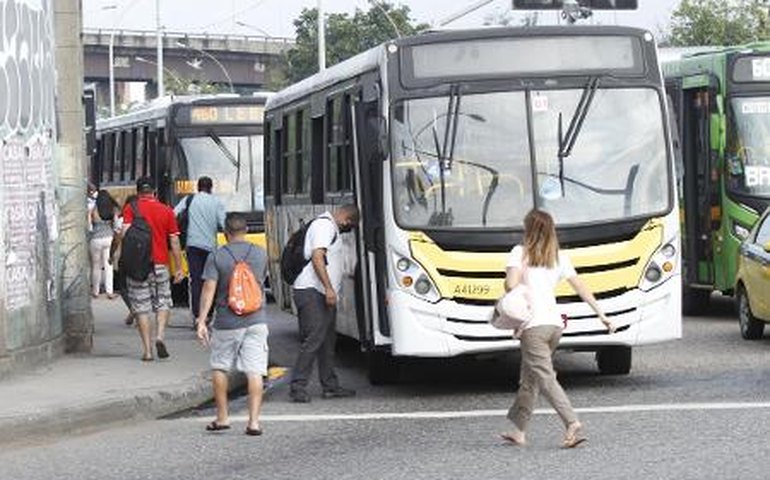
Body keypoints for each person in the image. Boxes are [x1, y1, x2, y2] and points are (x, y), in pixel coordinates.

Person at [500, 209, 615, 449]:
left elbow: (511, 285)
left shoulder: (519, 253)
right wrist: (601, 314)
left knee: (545, 378)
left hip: (533, 327)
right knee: (529, 379)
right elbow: (580, 287)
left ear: (528, 230)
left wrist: (514, 277)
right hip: (554, 325)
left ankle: (571, 422)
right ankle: (519, 431)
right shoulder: (558, 257)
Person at [196, 212, 268, 436]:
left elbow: (208, 290)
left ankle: (223, 417)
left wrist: (202, 320)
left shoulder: (217, 256)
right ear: (246, 231)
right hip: (256, 320)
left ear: (225, 234)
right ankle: (254, 422)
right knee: (255, 371)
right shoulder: (259, 253)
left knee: (220, 367)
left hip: (227, 322)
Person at [288, 204, 360, 403]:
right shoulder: (324, 226)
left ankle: (330, 385)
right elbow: (318, 257)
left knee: (327, 342)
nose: (349, 230)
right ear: (346, 219)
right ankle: (298, 387)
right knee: (313, 340)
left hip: (321, 293)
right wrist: (328, 288)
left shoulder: (330, 227)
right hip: (312, 292)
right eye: (351, 226)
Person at [117, 177, 185, 361]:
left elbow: (124, 234)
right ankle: (160, 336)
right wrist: (178, 267)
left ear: (138, 192)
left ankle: (147, 351)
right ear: (154, 192)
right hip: (161, 264)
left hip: (138, 266)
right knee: (163, 301)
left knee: (141, 307)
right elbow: (174, 240)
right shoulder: (167, 210)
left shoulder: (131, 209)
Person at [173, 176, 226, 326]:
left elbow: (174, 213)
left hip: (193, 246)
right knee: (210, 280)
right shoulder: (217, 202)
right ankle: (208, 315)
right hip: (210, 248)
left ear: (198, 187)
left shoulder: (189, 200)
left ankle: (197, 316)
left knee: (196, 281)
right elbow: (223, 224)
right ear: (211, 188)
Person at [89, 190, 121, 299]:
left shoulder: (93, 209)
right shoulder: (112, 209)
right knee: (109, 265)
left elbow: (89, 226)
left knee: (96, 266)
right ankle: (109, 292)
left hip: (95, 239)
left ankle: (95, 292)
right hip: (109, 238)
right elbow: (117, 225)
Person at [111, 194, 137, 326]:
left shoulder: (121, 220)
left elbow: (116, 240)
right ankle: (138, 309)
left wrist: (111, 255)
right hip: (142, 256)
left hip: (125, 257)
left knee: (123, 286)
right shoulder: (143, 218)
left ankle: (133, 308)